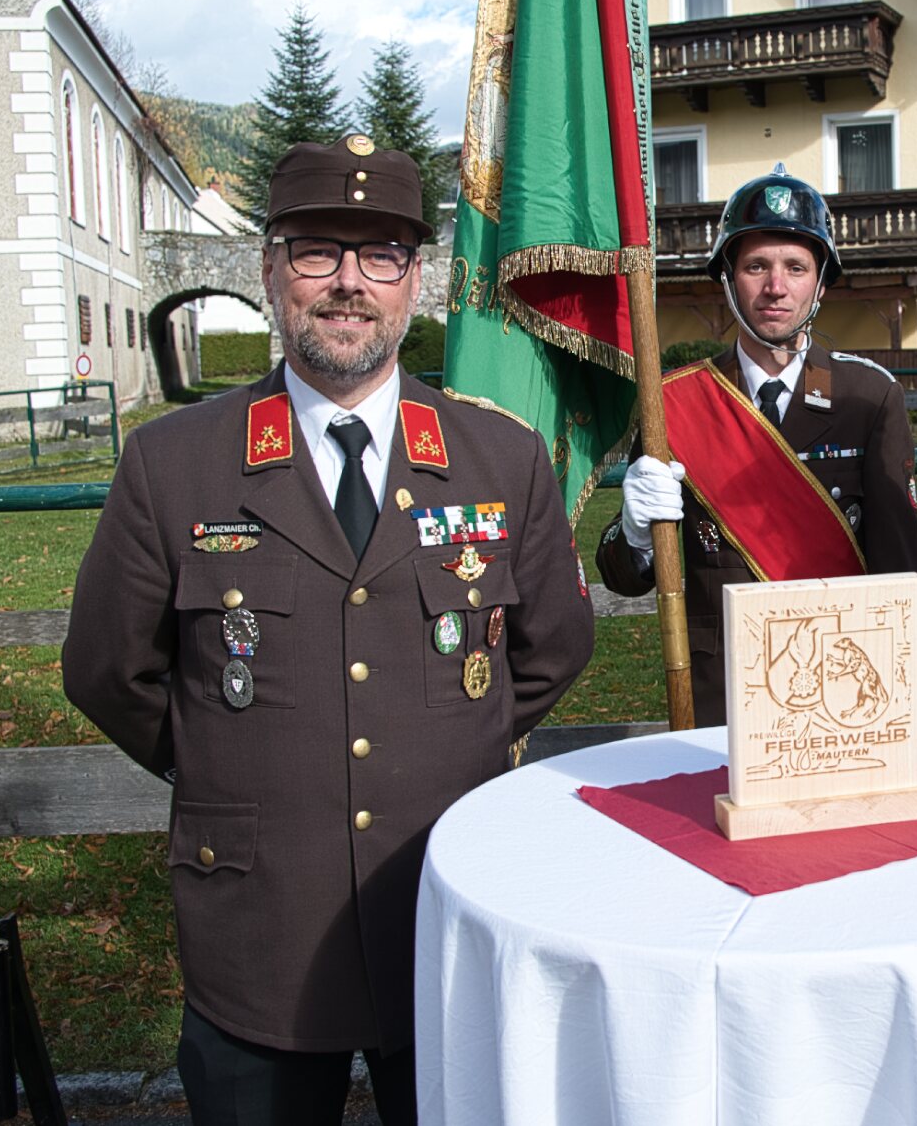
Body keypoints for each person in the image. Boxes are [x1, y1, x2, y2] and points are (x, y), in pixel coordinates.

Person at [61, 134, 594, 1126]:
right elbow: (105, 669)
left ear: (415, 281)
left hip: (441, 905)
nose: (350, 282)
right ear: (270, 271)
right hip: (258, 927)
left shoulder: (500, 456)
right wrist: (233, 758)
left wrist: (449, 743)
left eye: (382, 253)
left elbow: (554, 645)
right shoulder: (174, 464)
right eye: (317, 251)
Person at [597, 169, 917, 726]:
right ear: (728, 279)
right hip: (721, 696)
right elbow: (622, 577)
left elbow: (899, 576)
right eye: (756, 267)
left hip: (839, 697)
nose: (776, 287)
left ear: (820, 285)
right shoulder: (671, 403)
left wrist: (900, 703)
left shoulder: (869, 398)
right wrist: (635, 536)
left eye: (796, 267)